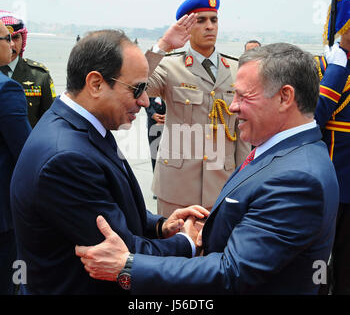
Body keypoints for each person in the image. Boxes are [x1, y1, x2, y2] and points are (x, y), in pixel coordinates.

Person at [76, 43, 340, 295]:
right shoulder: (278, 152)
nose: (232, 106)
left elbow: (232, 272)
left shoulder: (298, 179)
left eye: (243, 95)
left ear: (285, 97)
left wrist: (128, 265)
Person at [10, 29, 209, 295]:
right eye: (137, 88)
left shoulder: (80, 124)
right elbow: (122, 251)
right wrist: (188, 243)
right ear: (95, 84)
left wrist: (161, 226)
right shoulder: (66, 159)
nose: (145, 101)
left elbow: (112, 205)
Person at [145, 0, 251, 217]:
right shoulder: (170, 67)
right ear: (187, 26)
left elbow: (241, 132)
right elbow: (135, 87)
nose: (210, 26)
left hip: (221, 187)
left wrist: (243, 182)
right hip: (176, 188)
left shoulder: (234, 69)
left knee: (217, 250)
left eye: (214, 20)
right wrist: (164, 44)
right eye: (201, 20)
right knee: (173, 249)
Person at [0, 15, 31, 294]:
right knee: (6, 284)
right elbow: (26, 152)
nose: (12, 45)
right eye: (6, 38)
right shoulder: (4, 87)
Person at [315, 0, 350, 294]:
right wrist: (336, 71)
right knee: (316, 269)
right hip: (326, 187)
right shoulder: (320, 67)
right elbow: (311, 121)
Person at [0, 10, 56, 127]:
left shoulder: (39, 75)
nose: (11, 44)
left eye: (16, 37)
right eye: (6, 38)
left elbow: (51, 119)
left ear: (23, 40)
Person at [145, 96, 166, 172]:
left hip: (171, 123)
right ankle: (156, 178)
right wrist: (153, 114)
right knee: (155, 153)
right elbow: (145, 100)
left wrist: (169, 115)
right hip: (153, 123)